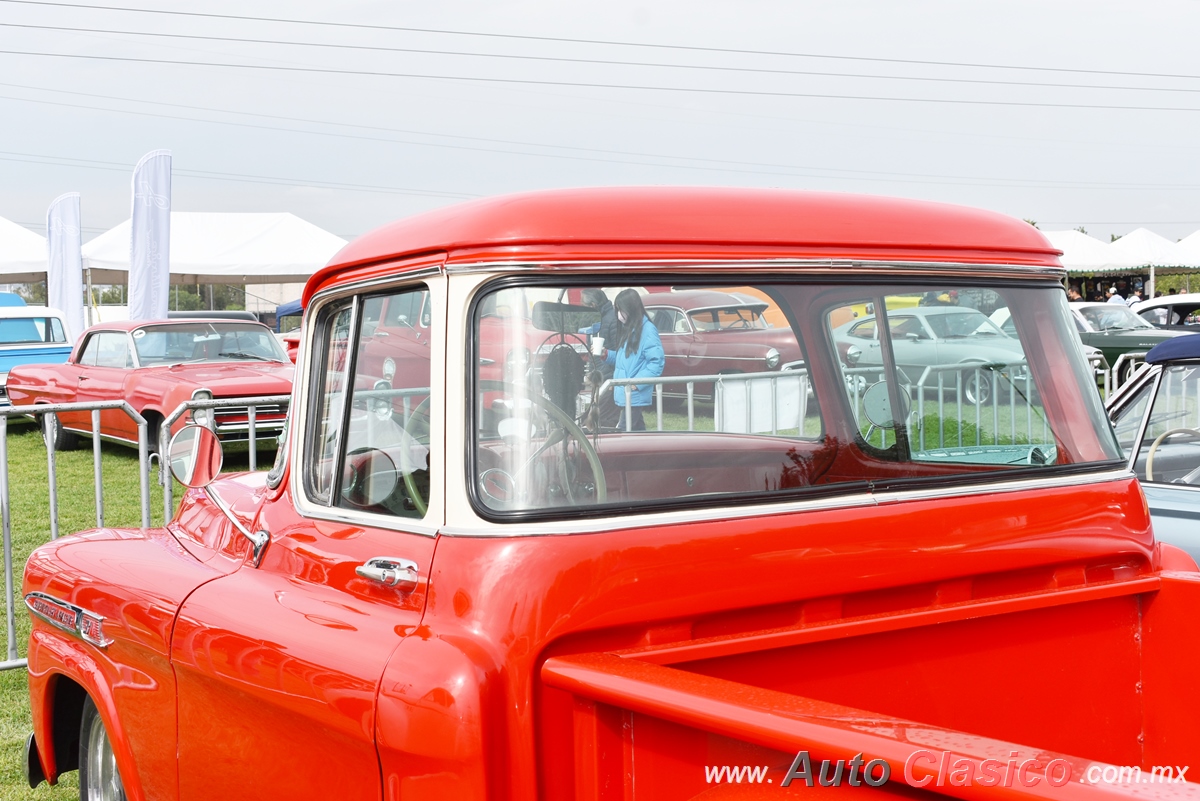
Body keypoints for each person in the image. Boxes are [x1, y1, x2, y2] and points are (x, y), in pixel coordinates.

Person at [603, 289, 665, 431]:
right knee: (637, 431)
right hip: (628, 392)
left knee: (624, 431)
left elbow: (657, 362)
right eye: (617, 310)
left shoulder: (647, 330)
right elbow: (625, 361)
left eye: (620, 309)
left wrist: (637, 383)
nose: (618, 314)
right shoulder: (631, 329)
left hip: (633, 393)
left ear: (630, 308)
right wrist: (606, 355)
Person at [579, 288, 621, 429]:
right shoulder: (599, 318)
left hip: (608, 375)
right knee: (597, 415)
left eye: (584, 305)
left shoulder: (612, 319)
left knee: (603, 417)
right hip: (600, 374)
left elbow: (618, 351)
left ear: (593, 306)